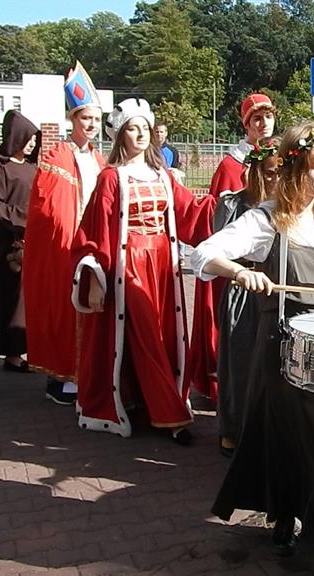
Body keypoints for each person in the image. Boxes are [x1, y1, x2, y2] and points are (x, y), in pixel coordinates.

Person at [198, 122, 314, 576]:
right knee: (280, 434)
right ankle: (283, 514)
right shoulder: (267, 219)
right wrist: (240, 271)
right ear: (293, 167)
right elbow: (202, 254)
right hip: (280, 343)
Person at [70, 97, 215, 443]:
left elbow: (191, 212)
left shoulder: (163, 176)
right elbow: (94, 229)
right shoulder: (111, 178)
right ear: (121, 135)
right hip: (129, 266)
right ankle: (170, 415)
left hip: (163, 266)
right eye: (132, 129)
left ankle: (144, 400)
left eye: (145, 128)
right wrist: (95, 276)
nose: (140, 134)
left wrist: (233, 201)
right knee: (147, 335)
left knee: (164, 336)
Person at [22, 61, 104, 405]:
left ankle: (85, 373)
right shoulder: (57, 155)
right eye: (86, 118)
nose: (92, 125)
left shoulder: (99, 159)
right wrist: (73, 239)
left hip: (91, 245)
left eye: (97, 119)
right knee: (64, 310)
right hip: (65, 247)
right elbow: (50, 208)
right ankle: (60, 378)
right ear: (72, 119)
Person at [187, 93, 277, 405]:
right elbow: (222, 219)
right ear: (246, 125)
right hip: (239, 264)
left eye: (268, 116)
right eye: (256, 118)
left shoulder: (282, 156)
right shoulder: (230, 166)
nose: (263, 123)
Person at [214, 138, 280, 457]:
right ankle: (233, 427)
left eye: (281, 172)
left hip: (274, 291)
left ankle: (264, 428)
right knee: (240, 361)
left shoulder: (288, 207)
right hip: (243, 292)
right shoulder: (234, 204)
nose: (275, 179)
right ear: (256, 171)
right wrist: (242, 271)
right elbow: (218, 252)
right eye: (269, 172)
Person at [0, 110, 41, 372]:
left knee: (31, 298)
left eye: (35, 140)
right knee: (11, 296)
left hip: (34, 239)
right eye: (28, 138)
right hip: (9, 241)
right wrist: (25, 219)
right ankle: (13, 353)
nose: (32, 144)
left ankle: (32, 347)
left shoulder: (33, 168)